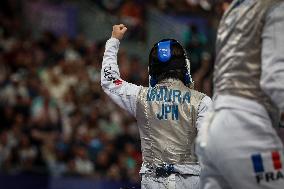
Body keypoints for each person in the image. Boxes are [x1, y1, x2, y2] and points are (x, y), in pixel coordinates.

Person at [101, 24, 211, 189]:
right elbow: (209, 146)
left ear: (152, 71)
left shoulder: (140, 96)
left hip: (153, 182)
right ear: (184, 68)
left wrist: (114, 40)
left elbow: (109, 81)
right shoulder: (202, 101)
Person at [196, 0, 284, 188]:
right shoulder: (277, 7)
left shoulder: (235, 10)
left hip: (212, 126)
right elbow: (275, 79)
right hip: (246, 126)